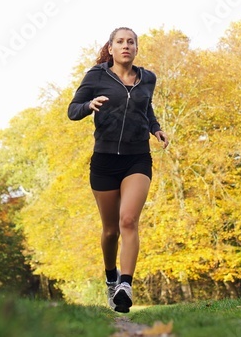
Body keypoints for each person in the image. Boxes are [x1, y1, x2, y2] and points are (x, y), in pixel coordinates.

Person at [67, 27, 169, 313]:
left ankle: (125, 284)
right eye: (120, 42)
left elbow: (146, 109)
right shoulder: (96, 76)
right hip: (105, 159)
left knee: (128, 221)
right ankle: (111, 278)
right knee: (111, 231)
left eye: (131, 42)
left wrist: (156, 128)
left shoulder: (147, 78)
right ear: (110, 48)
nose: (126, 46)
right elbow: (72, 110)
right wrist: (89, 104)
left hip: (137, 158)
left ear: (136, 48)